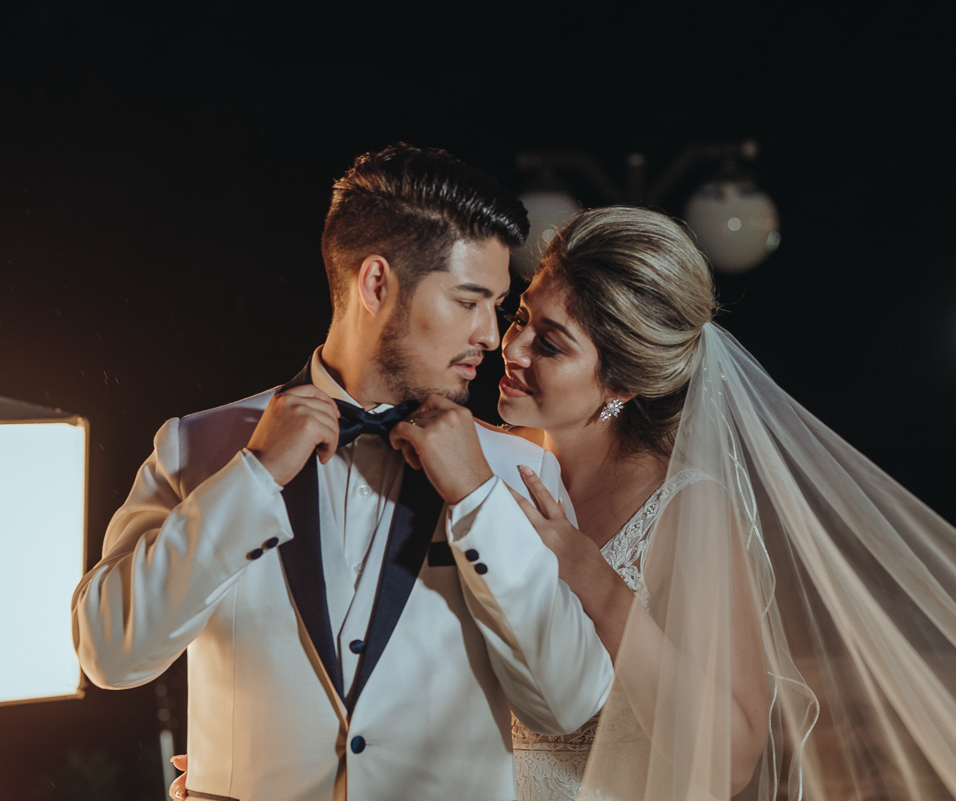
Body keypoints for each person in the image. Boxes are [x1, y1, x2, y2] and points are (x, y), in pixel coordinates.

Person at [493, 206, 956, 801]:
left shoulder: (682, 506)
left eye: (549, 345)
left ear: (623, 381)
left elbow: (731, 758)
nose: (511, 347)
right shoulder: (494, 465)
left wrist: (593, 578)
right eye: (520, 316)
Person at [72, 145, 614, 801]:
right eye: (470, 301)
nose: (491, 336)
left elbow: (569, 701)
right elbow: (109, 655)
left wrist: (477, 499)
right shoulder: (198, 444)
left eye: (496, 305)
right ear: (376, 283)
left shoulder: (517, 468)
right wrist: (253, 477)